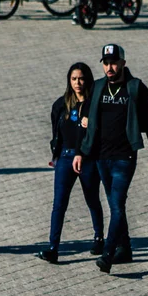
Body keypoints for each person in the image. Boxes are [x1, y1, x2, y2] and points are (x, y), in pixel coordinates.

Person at [73, 44, 148, 274]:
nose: (109, 67)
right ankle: (125, 247)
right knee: (114, 202)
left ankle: (108, 254)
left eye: (113, 62)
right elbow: (87, 118)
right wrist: (81, 151)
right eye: (105, 62)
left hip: (125, 156)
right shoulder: (98, 87)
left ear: (123, 62)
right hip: (102, 157)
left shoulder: (136, 88)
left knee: (117, 204)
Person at [39, 63, 104, 264]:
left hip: (87, 158)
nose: (77, 83)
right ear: (69, 80)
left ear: (88, 80)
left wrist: (91, 124)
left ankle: (99, 237)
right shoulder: (61, 105)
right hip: (65, 158)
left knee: (92, 198)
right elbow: (56, 133)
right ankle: (53, 247)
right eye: (74, 79)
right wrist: (56, 155)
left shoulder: (94, 105)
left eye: (81, 78)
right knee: (59, 204)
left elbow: (101, 132)